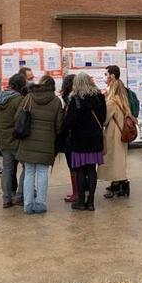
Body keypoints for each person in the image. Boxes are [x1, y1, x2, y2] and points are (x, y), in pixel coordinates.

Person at [15, 75, 64, 214]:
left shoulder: (29, 97)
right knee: (43, 172)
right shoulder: (56, 101)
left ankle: (28, 205)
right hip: (47, 142)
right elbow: (59, 125)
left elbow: (17, 117)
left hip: (28, 141)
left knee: (29, 172)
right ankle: (41, 203)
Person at [63, 73, 106, 211]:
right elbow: (103, 117)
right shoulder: (99, 97)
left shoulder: (74, 99)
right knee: (92, 169)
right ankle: (91, 202)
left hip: (79, 140)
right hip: (95, 139)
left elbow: (69, 122)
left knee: (80, 170)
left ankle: (81, 201)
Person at [0, 73, 26, 208]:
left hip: (2, 138)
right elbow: (20, 120)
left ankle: (6, 198)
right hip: (15, 139)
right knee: (27, 167)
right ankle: (20, 195)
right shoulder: (19, 99)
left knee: (7, 169)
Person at [99, 77, 131, 198]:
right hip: (123, 133)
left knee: (113, 160)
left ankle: (116, 185)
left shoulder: (112, 101)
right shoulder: (124, 100)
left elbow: (105, 119)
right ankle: (123, 184)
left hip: (114, 133)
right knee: (120, 160)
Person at [59, 74, 78, 203]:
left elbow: (66, 121)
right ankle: (80, 191)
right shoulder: (79, 98)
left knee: (73, 167)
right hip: (79, 138)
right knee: (81, 166)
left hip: (69, 139)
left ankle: (76, 193)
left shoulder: (67, 100)